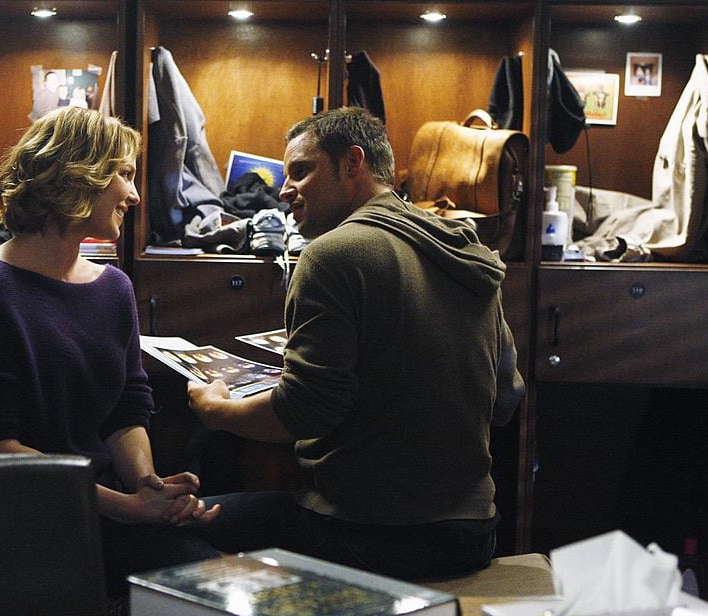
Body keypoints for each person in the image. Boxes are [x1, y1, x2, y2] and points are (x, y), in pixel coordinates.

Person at [187, 107, 525, 580]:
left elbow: (304, 412)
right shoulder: (463, 251)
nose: (284, 190)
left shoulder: (332, 254)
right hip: (472, 534)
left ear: (352, 163)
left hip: (369, 534)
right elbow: (506, 398)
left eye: (301, 171)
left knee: (177, 523)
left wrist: (216, 409)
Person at [0, 106, 222, 601]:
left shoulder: (113, 286)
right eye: (125, 175)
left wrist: (148, 489)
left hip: (103, 504)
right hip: (26, 517)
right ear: (80, 174)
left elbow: (125, 411)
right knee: (206, 581)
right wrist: (126, 508)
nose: (135, 195)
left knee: (241, 552)